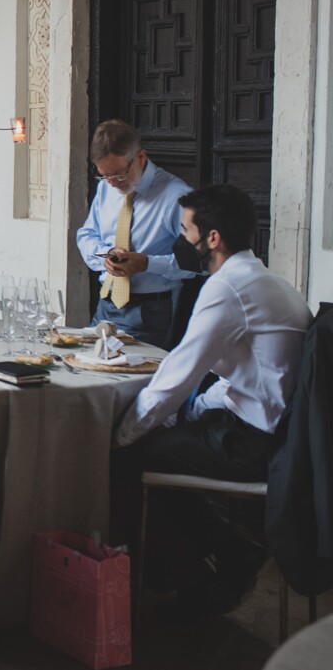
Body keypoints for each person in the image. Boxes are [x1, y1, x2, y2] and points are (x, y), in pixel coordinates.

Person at [110, 184, 311, 619]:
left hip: (255, 444)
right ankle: (230, 553)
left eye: (185, 230)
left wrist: (122, 435)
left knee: (127, 460)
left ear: (212, 238)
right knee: (160, 446)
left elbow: (179, 375)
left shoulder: (228, 288)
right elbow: (246, 374)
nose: (180, 240)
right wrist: (191, 412)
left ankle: (192, 580)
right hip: (277, 436)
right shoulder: (265, 280)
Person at [75, 120, 195, 345]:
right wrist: (105, 254)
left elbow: (196, 262)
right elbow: (87, 234)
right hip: (105, 305)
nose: (112, 183)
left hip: (149, 311)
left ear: (140, 157)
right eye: (104, 175)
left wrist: (146, 264)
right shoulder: (105, 189)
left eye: (119, 175)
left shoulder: (176, 197)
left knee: (133, 378)